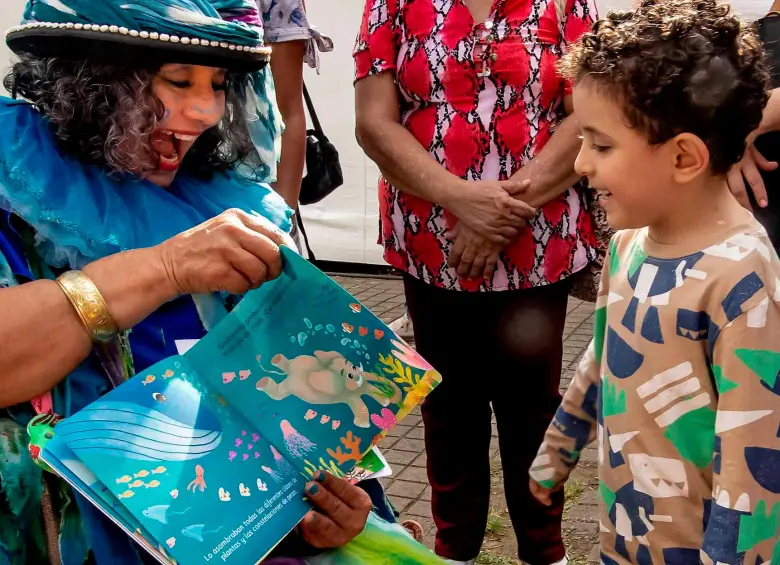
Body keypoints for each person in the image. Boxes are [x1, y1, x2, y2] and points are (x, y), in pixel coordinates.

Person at [0, 2, 378, 564]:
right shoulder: (16, 185)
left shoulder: (225, 197)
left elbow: (289, 399)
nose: (204, 111)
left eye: (219, 84)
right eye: (177, 79)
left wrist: (329, 507)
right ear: (87, 81)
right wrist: (166, 268)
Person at [529, 1, 780, 563]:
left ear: (684, 157)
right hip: (623, 534)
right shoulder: (627, 246)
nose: (582, 164)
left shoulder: (741, 277)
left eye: (600, 144)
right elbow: (604, 359)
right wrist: (557, 450)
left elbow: (756, 456)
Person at [353, 0, 599, 563]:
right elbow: (373, 121)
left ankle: (544, 550)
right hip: (432, 244)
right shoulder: (391, 5)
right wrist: (461, 198)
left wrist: (499, 215)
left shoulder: (566, 4)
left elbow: (586, 115)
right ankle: (455, 550)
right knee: (447, 408)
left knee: (532, 409)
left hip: (535, 241)